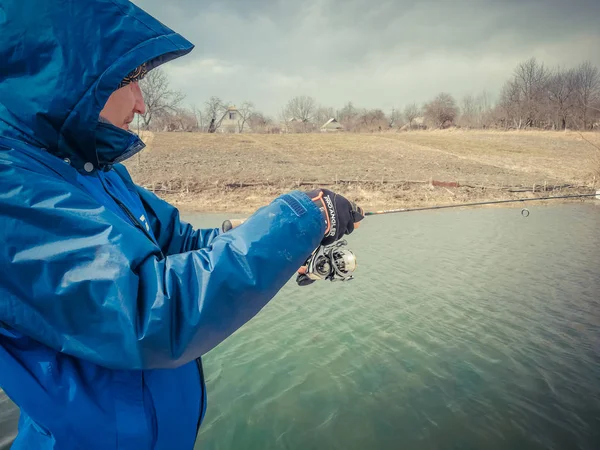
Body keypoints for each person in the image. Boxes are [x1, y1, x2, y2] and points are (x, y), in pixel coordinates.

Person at [0, 0, 364, 449]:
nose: (140, 105)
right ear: (67, 74)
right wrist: (303, 218)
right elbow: (149, 311)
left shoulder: (94, 169)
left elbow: (180, 244)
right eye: (129, 80)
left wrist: (278, 243)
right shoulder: (10, 186)